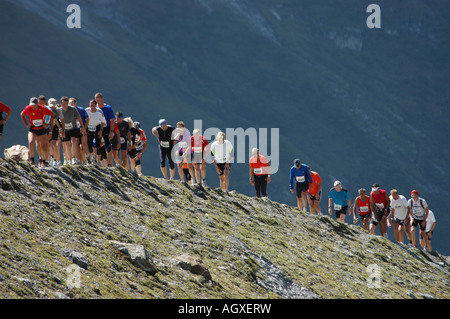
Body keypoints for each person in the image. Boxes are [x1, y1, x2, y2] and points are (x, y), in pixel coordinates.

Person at [20, 97, 54, 167]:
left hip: (41, 129)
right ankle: (32, 160)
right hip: (33, 128)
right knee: (31, 142)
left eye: (34, 105)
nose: (33, 106)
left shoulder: (42, 108)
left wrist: (47, 124)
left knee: (44, 146)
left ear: (37, 104)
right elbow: (22, 114)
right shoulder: (28, 108)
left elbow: (52, 114)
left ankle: (44, 161)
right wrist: (26, 124)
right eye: (32, 104)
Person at [60, 96, 85, 165]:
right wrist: (61, 129)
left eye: (65, 104)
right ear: (61, 104)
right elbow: (57, 120)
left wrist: (82, 126)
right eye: (63, 104)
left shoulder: (73, 109)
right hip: (65, 129)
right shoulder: (59, 110)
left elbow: (79, 117)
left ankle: (74, 158)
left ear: (68, 103)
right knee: (67, 144)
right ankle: (69, 159)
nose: (64, 106)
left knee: (74, 141)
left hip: (74, 128)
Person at [95, 93, 115, 166]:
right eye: (96, 99)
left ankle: (109, 163)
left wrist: (111, 131)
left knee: (108, 146)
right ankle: (100, 163)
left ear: (102, 99)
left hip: (106, 128)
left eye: (99, 99)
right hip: (97, 128)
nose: (98, 100)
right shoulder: (95, 108)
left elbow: (112, 120)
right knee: (98, 145)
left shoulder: (108, 108)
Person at [85, 99, 106, 164]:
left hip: (97, 127)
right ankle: (91, 158)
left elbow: (103, 122)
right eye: (91, 106)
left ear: (96, 106)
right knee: (89, 145)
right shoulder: (86, 110)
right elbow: (83, 119)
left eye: (93, 106)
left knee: (98, 145)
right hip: (89, 127)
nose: (92, 107)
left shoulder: (99, 112)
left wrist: (101, 130)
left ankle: (97, 161)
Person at [70, 97, 88, 165]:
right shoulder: (68, 111)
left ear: (75, 103)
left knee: (82, 147)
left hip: (81, 129)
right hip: (73, 129)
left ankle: (84, 160)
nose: (71, 105)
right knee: (74, 142)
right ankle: (75, 159)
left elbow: (87, 119)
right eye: (70, 104)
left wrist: (84, 128)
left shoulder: (81, 110)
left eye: (72, 103)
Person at [47, 98, 63, 166]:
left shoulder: (58, 110)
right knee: (49, 144)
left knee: (54, 144)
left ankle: (56, 160)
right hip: (48, 127)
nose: (52, 107)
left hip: (55, 127)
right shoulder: (46, 109)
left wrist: (60, 128)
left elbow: (56, 120)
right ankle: (51, 157)